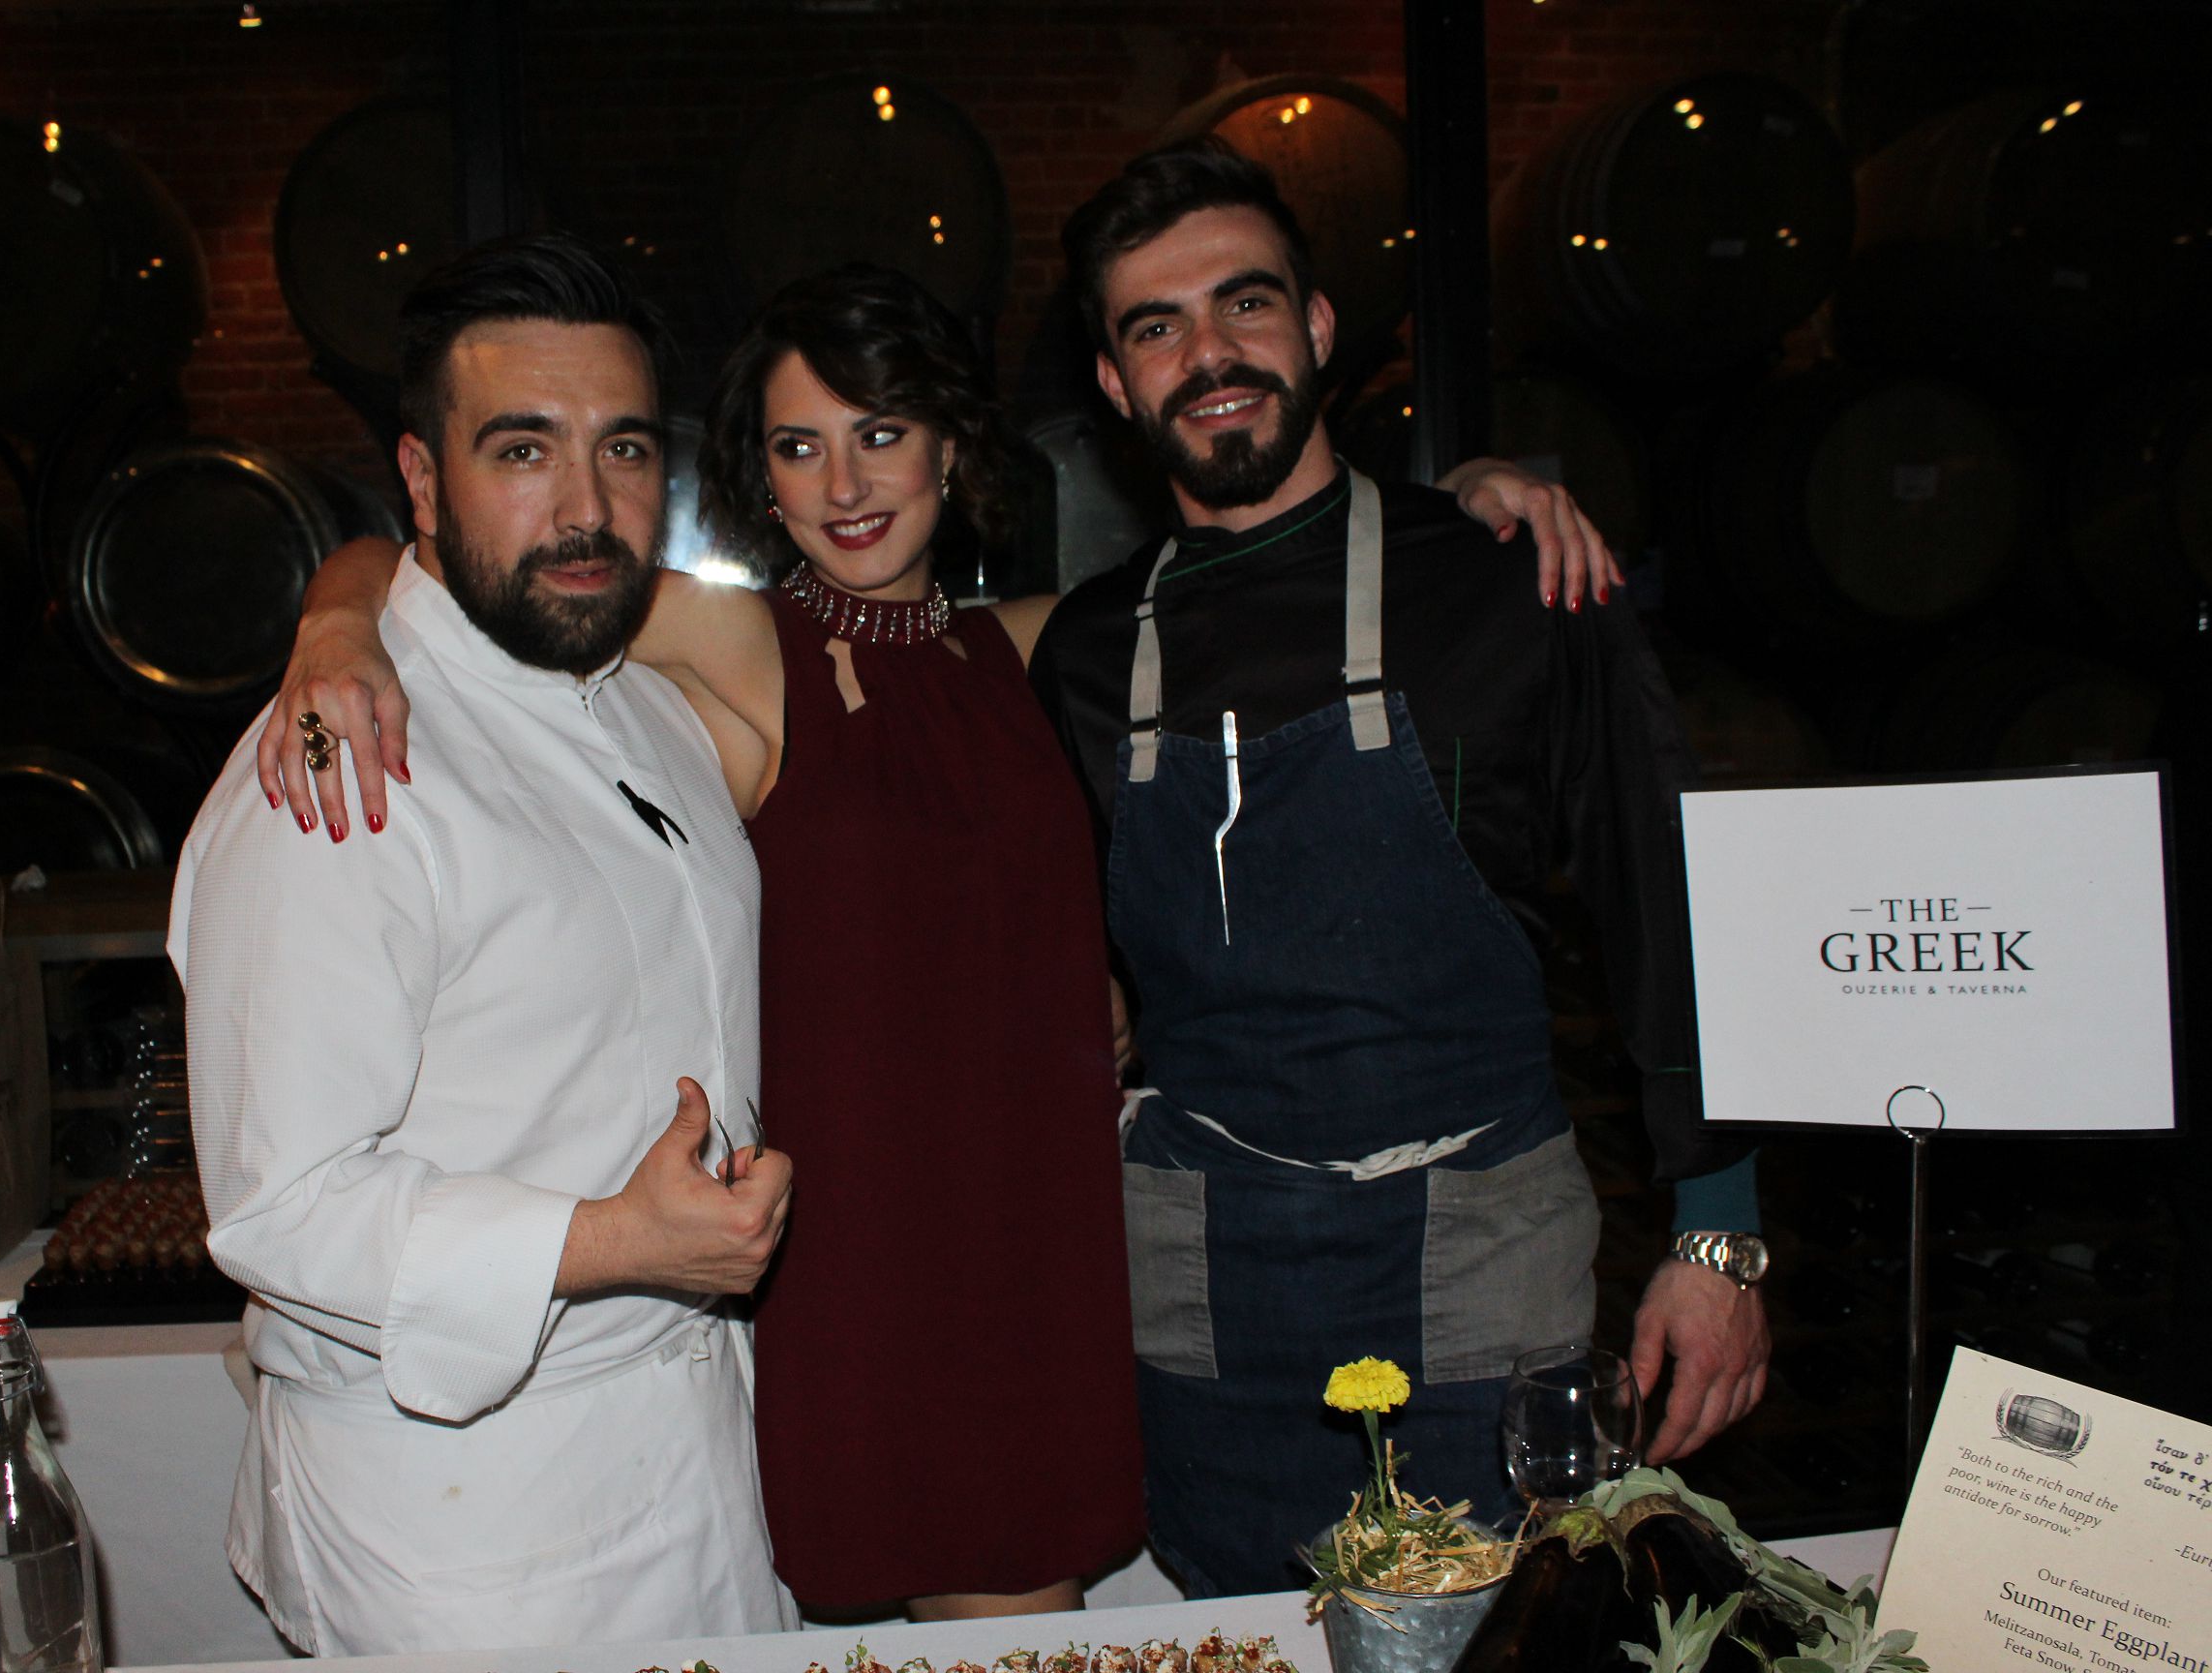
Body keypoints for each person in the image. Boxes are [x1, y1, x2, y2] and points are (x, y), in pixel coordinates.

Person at [259, 271, 1618, 1618]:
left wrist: (1474, 498)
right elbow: (456, 564)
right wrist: (334, 625)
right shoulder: (738, 639)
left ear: (951, 450)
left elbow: (1281, 583)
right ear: (761, 480)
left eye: (882, 432)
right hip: (870, 1253)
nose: (845, 483)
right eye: (800, 446)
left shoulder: (1044, 643)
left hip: (1045, 1225)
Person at [1026, 138, 1772, 1597]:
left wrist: (1722, 1234)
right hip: (1202, 1283)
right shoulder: (1090, 654)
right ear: (1115, 385)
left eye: (1246, 304)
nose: (1209, 354)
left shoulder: (1511, 580)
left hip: (1479, 1265)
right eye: (1157, 327)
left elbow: (1671, 902)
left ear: (1316, 328)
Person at [167, 233, 796, 1656]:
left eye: (623, 449)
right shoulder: (339, 766)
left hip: (695, 1444)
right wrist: (613, 1240)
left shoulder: (643, 704)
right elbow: (282, 1203)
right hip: (465, 1516)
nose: (586, 507)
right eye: (522, 450)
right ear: (421, 479)